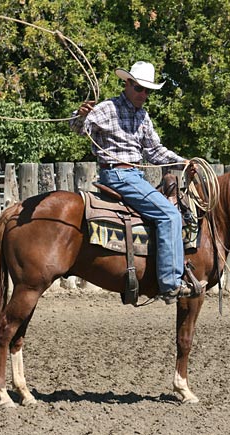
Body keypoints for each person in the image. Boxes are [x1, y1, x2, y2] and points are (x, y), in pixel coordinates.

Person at [69, 61, 196, 304]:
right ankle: (171, 283)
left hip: (135, 175)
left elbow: (155, 152)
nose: (143, 94)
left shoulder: (143, 116)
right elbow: (77, 128)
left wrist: (184, 162)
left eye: (147, 91)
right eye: (139, 88)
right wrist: (80, 114)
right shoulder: (108, 108)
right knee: (170, 216)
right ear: (127, 84)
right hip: (118, 175)